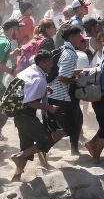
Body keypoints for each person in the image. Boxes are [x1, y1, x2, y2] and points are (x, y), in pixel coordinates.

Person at [8, 50, 69, 180]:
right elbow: (30, 102)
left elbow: (27, 86)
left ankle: (16, 177)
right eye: (50, 62)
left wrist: (44, 88)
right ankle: (18, 157)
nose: (52, 65)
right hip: (27, 117)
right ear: (42, 62)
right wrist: (49, 107)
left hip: (19, 117)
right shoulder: (39, 79)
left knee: (27, 148)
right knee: (47, 139)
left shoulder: (31, 70)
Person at [49, 25, 85, 155]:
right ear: (72, 37)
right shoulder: (70, 54)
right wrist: (76, 80)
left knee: (76, 122)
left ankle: (74, 150)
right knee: (71, 126)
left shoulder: (63, 49)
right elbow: (63, 77)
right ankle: (42, 147)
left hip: (54, 93)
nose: (80, 39)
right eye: (78, 36)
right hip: (62, 96)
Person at [0, 19, 23, 141]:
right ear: (12, 30)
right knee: (10, 102)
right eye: (18, 29)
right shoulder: (5, 43)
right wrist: (12, 71)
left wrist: (12, 54)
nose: (19, 32)